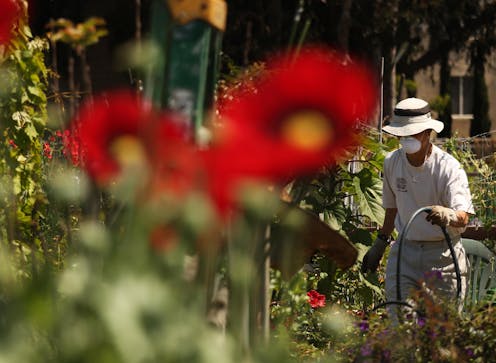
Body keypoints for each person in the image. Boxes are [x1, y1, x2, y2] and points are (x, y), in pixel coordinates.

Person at [361, 97, 474, 309]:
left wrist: (448, 214)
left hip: (443, 257)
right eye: (402, 134)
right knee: (401, 325)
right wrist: (379, 244)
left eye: (411, 133)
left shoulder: (448, 167)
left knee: (441, 330)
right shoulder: (392, 162)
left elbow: (463, 217)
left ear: (427, 133)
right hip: (405, 253)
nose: (406, 139)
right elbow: (392, 208)